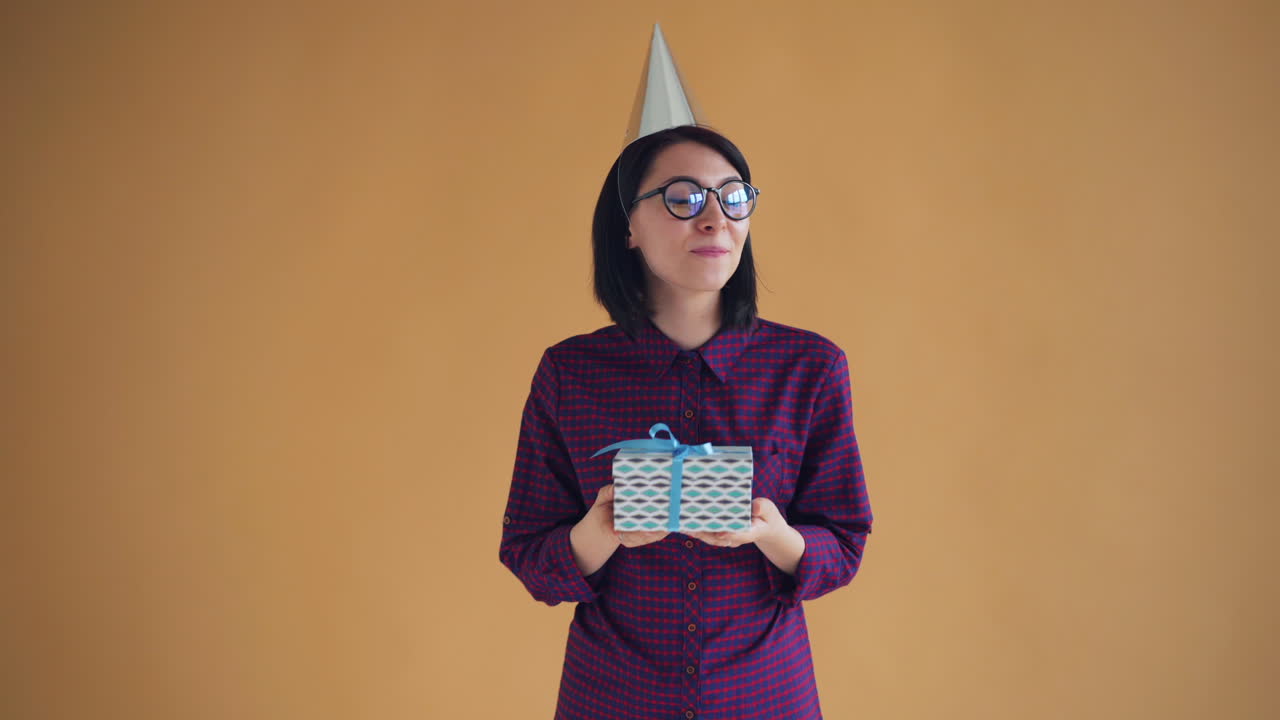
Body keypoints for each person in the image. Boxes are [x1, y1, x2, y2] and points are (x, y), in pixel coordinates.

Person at [498, 122, 874, 720]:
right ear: (628, 225)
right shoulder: (570, 373)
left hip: (767, 695)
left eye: (733, 195)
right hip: (613, 697)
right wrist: (601, 532)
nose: (714, 218)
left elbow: (845, 546)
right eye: (683, 198)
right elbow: (528, 555)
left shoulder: (810, 367)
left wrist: (771, 534)